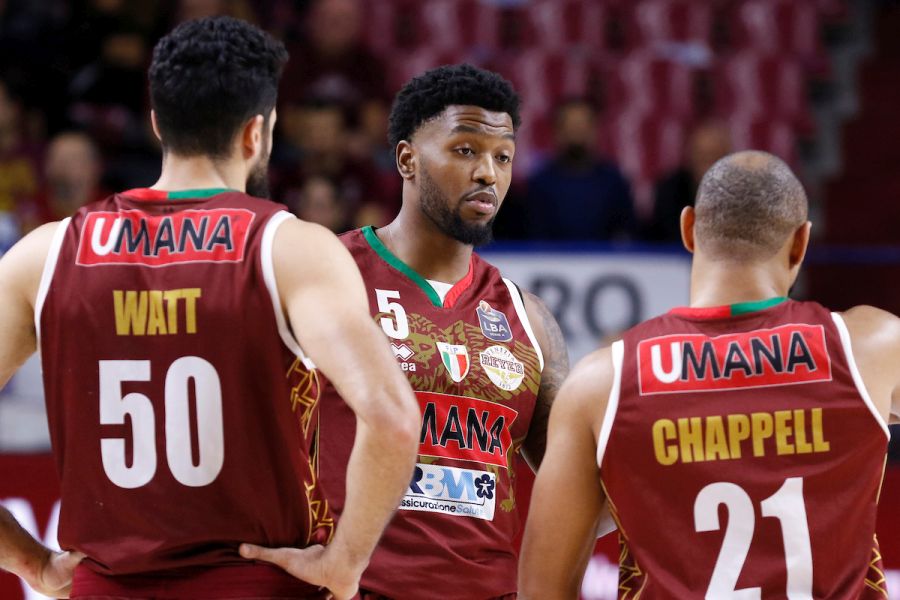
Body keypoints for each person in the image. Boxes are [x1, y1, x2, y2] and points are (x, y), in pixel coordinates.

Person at [0, 16, 419, 600]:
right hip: (254, 585)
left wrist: (34, 563)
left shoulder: (43, 254)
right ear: (256, 133)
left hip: (106, 587)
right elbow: (394, 420)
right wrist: (344, 564)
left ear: (156, 123)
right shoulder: (290, 249)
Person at [519, 151, 898, 599]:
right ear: (801, 243)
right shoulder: (871, 347)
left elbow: (540, 590)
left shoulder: (602, 382)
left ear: (688, 229)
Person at [317, 64, 570, 599]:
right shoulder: (329, 276)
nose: (487, 174)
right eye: (465, 150)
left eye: (503, 157)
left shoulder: (529, 319)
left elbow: (578, 492)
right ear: (407, 159)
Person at [524, 98, 636, 241]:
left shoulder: (614, 182)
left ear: (595, 130)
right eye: (570, 127)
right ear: (557, 132)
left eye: (582, 126)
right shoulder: (540, 184)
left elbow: (626, 235)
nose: (576, 134)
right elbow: (534, 238)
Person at [644, 120, 732, 242]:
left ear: (728, 160)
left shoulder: (742, 197)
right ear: (690, 157)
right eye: (702, 157)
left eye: (714, 157)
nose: (707, 167)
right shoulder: (669, 192)